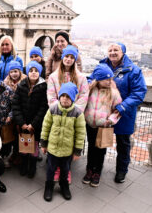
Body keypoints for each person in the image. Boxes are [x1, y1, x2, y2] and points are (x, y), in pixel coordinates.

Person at [94, 42, 147, 183]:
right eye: (110, 50)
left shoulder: (134, 70)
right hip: (104, 111)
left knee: (123, 144)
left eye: (116, 50)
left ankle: (121, 171)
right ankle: (96, 170)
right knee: (102, 142)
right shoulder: (102, 66)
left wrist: (122, 107)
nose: (112, 52)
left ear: (123, 52)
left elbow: (139, 93)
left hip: (124, 113)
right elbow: (93, 79)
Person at [47, 45, 89, 182]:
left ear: (75, 60)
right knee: (57, 139)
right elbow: (51, 96)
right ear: (62, 57)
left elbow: (84, 95)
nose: (69, 59)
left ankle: (66, 169)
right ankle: (56, 169)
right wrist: (58, 109)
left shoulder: (81, 78)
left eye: (72, 57)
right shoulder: (53, 77)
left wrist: (74, 110)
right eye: (67, 56)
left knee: (69, 142)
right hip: (57, 114)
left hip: (73, 115)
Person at [40, 82, 86, 201]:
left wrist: (77, 151)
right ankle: (49, 186)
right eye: (63, 96)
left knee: (65, 170)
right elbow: (46, 127)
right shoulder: (52, 109)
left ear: (73, 99)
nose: (65, 99)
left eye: (68, 97)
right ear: (59, 96)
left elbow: (80, 133)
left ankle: (64, 185)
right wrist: (44, 144)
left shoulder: (77, 113)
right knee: (51, 169)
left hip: (67, 150)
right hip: (53, 149)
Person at [83, 64, 122, 187]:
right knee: (91, 148)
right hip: (90, 125)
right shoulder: (89, 90)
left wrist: (110, 120)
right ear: (99, 79)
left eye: (111, 78)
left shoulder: (114, 93)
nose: (110, 81)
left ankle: (97, 172)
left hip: (104, 126)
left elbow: (118, 110)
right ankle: (89, 170)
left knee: (101, 150)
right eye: (107, 79)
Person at [12, 61, 48, 178]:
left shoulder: (43, 87)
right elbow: (16, 105)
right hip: (23, 123)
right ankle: (24, 164)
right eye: (31, 71)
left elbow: (43, 108)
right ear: (27, 72)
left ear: (39, 72)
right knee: (23, 145)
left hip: (35, 125)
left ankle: (32, 165)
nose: (33, 73)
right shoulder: (21, 85)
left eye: (36, 71)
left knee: (34, 147)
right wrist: (21, 123)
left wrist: (34, 124)